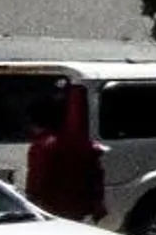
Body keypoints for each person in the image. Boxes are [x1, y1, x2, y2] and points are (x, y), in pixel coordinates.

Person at [23, 83, 106, 224]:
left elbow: (37, 180)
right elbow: (96, 174)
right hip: (78, 207)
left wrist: (29, 201)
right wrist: (96, 203)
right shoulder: (80, 142)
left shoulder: (43, 146)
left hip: (52, 208)